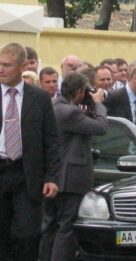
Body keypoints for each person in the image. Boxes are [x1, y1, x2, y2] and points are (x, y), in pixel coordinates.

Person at [39, 72, 108, 261]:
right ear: (78, 92)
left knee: (50, 227)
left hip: (54, 176)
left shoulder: (56, 107)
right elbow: (101, 127)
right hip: (69, 180)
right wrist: (99, 103)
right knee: (66, 228)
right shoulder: (70, 112)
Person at [0, 42, 59, 261]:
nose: (1, 69)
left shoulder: (40, 98)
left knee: (27, 235)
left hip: (26, 175)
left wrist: (52, 177)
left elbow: (51, 140)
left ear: (23, 66)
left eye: (6, 65)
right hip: (1, 170)